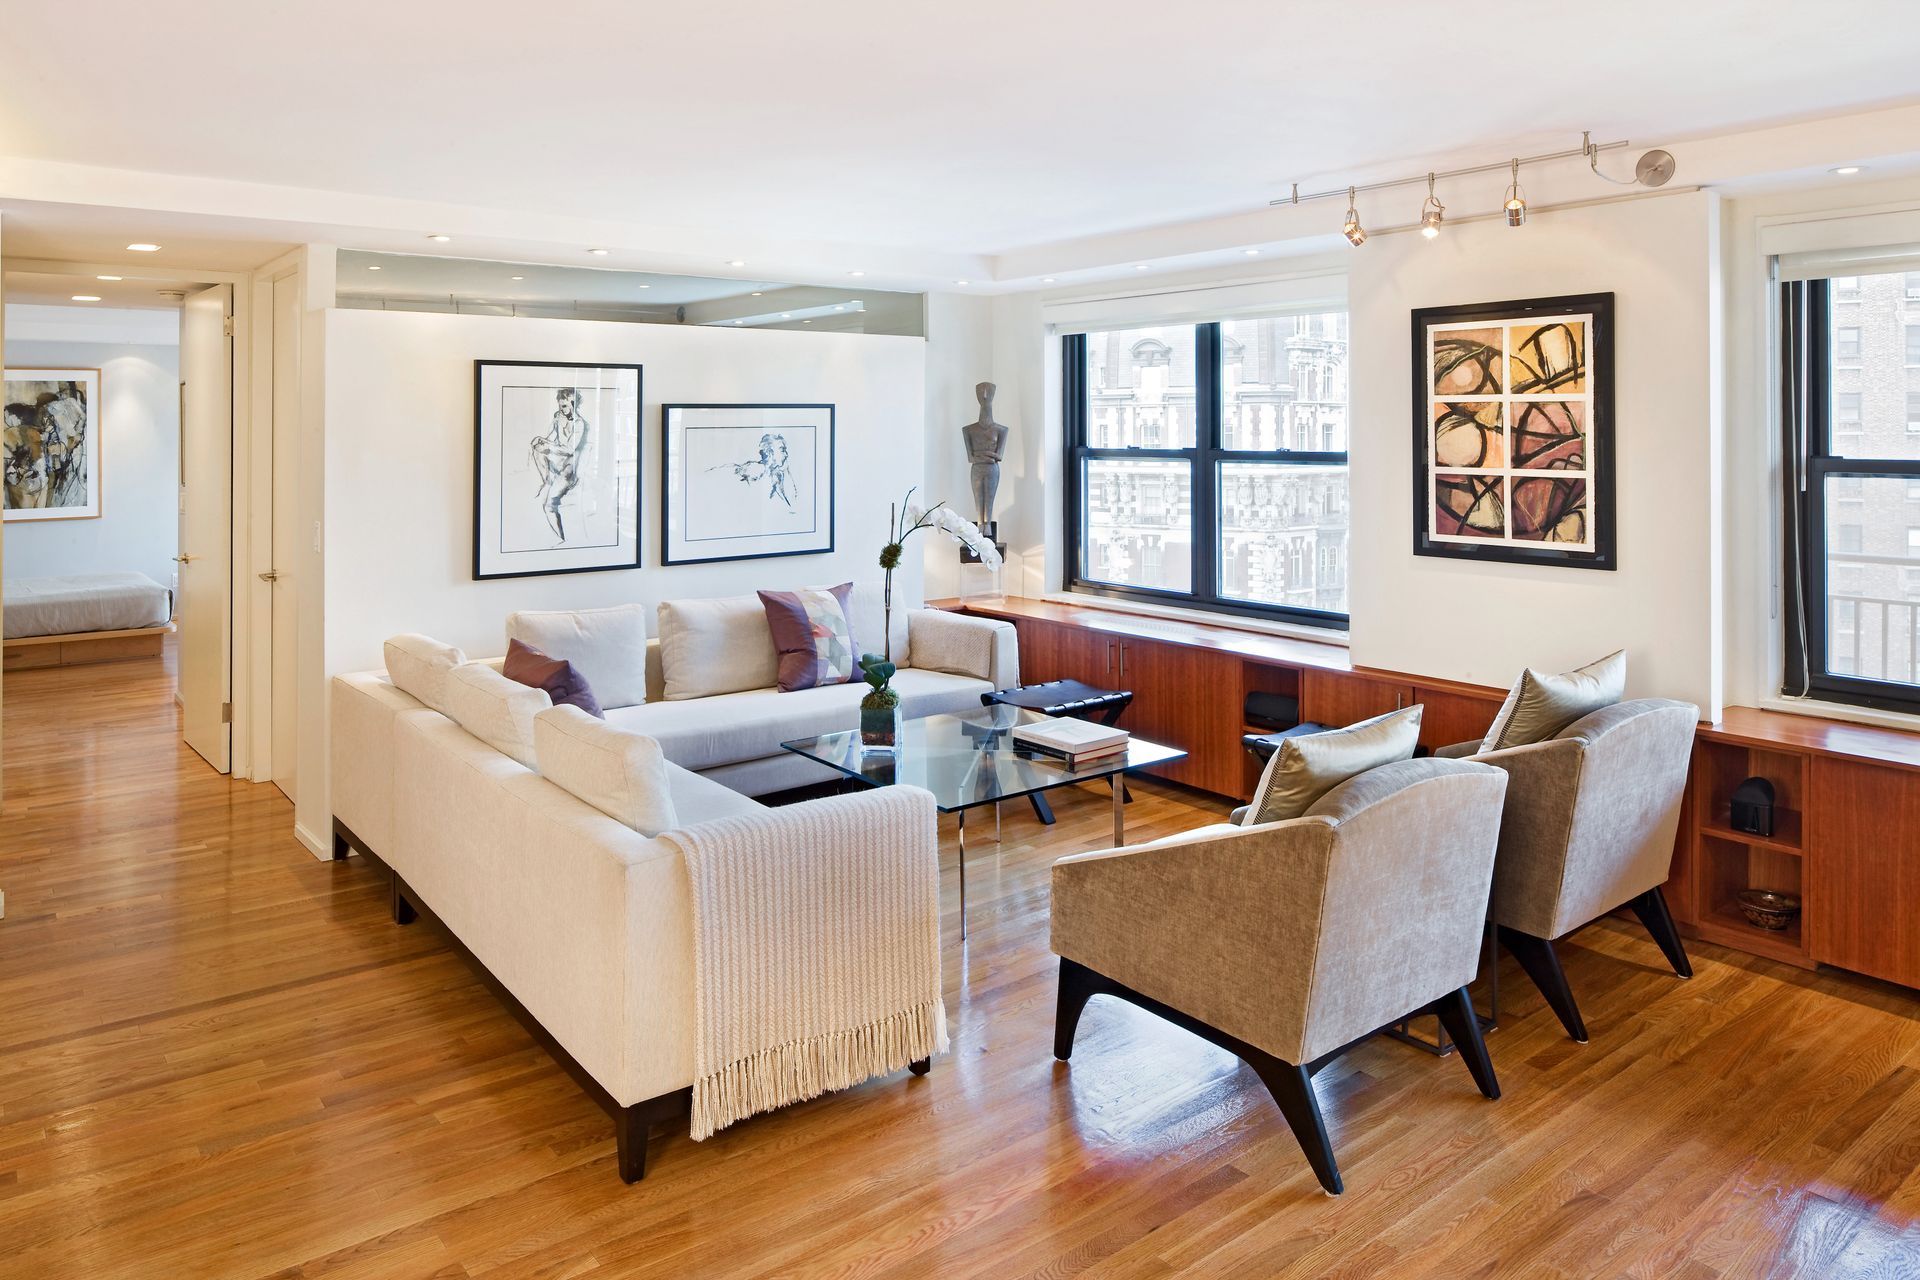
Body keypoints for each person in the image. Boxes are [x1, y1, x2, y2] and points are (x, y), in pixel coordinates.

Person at [529, 387, 592, 543]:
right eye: (559, 405)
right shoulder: (557, 417)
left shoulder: (579, 423)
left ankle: (561, 540)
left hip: (569, 468)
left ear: (573, 404)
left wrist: (549, 447)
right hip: (557, 461)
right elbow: (552, 438)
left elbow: (570, 449)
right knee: (536, 444)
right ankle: (547, 480)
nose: (561, 409)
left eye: (564, 406)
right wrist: (543, 442)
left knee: (549, 506)